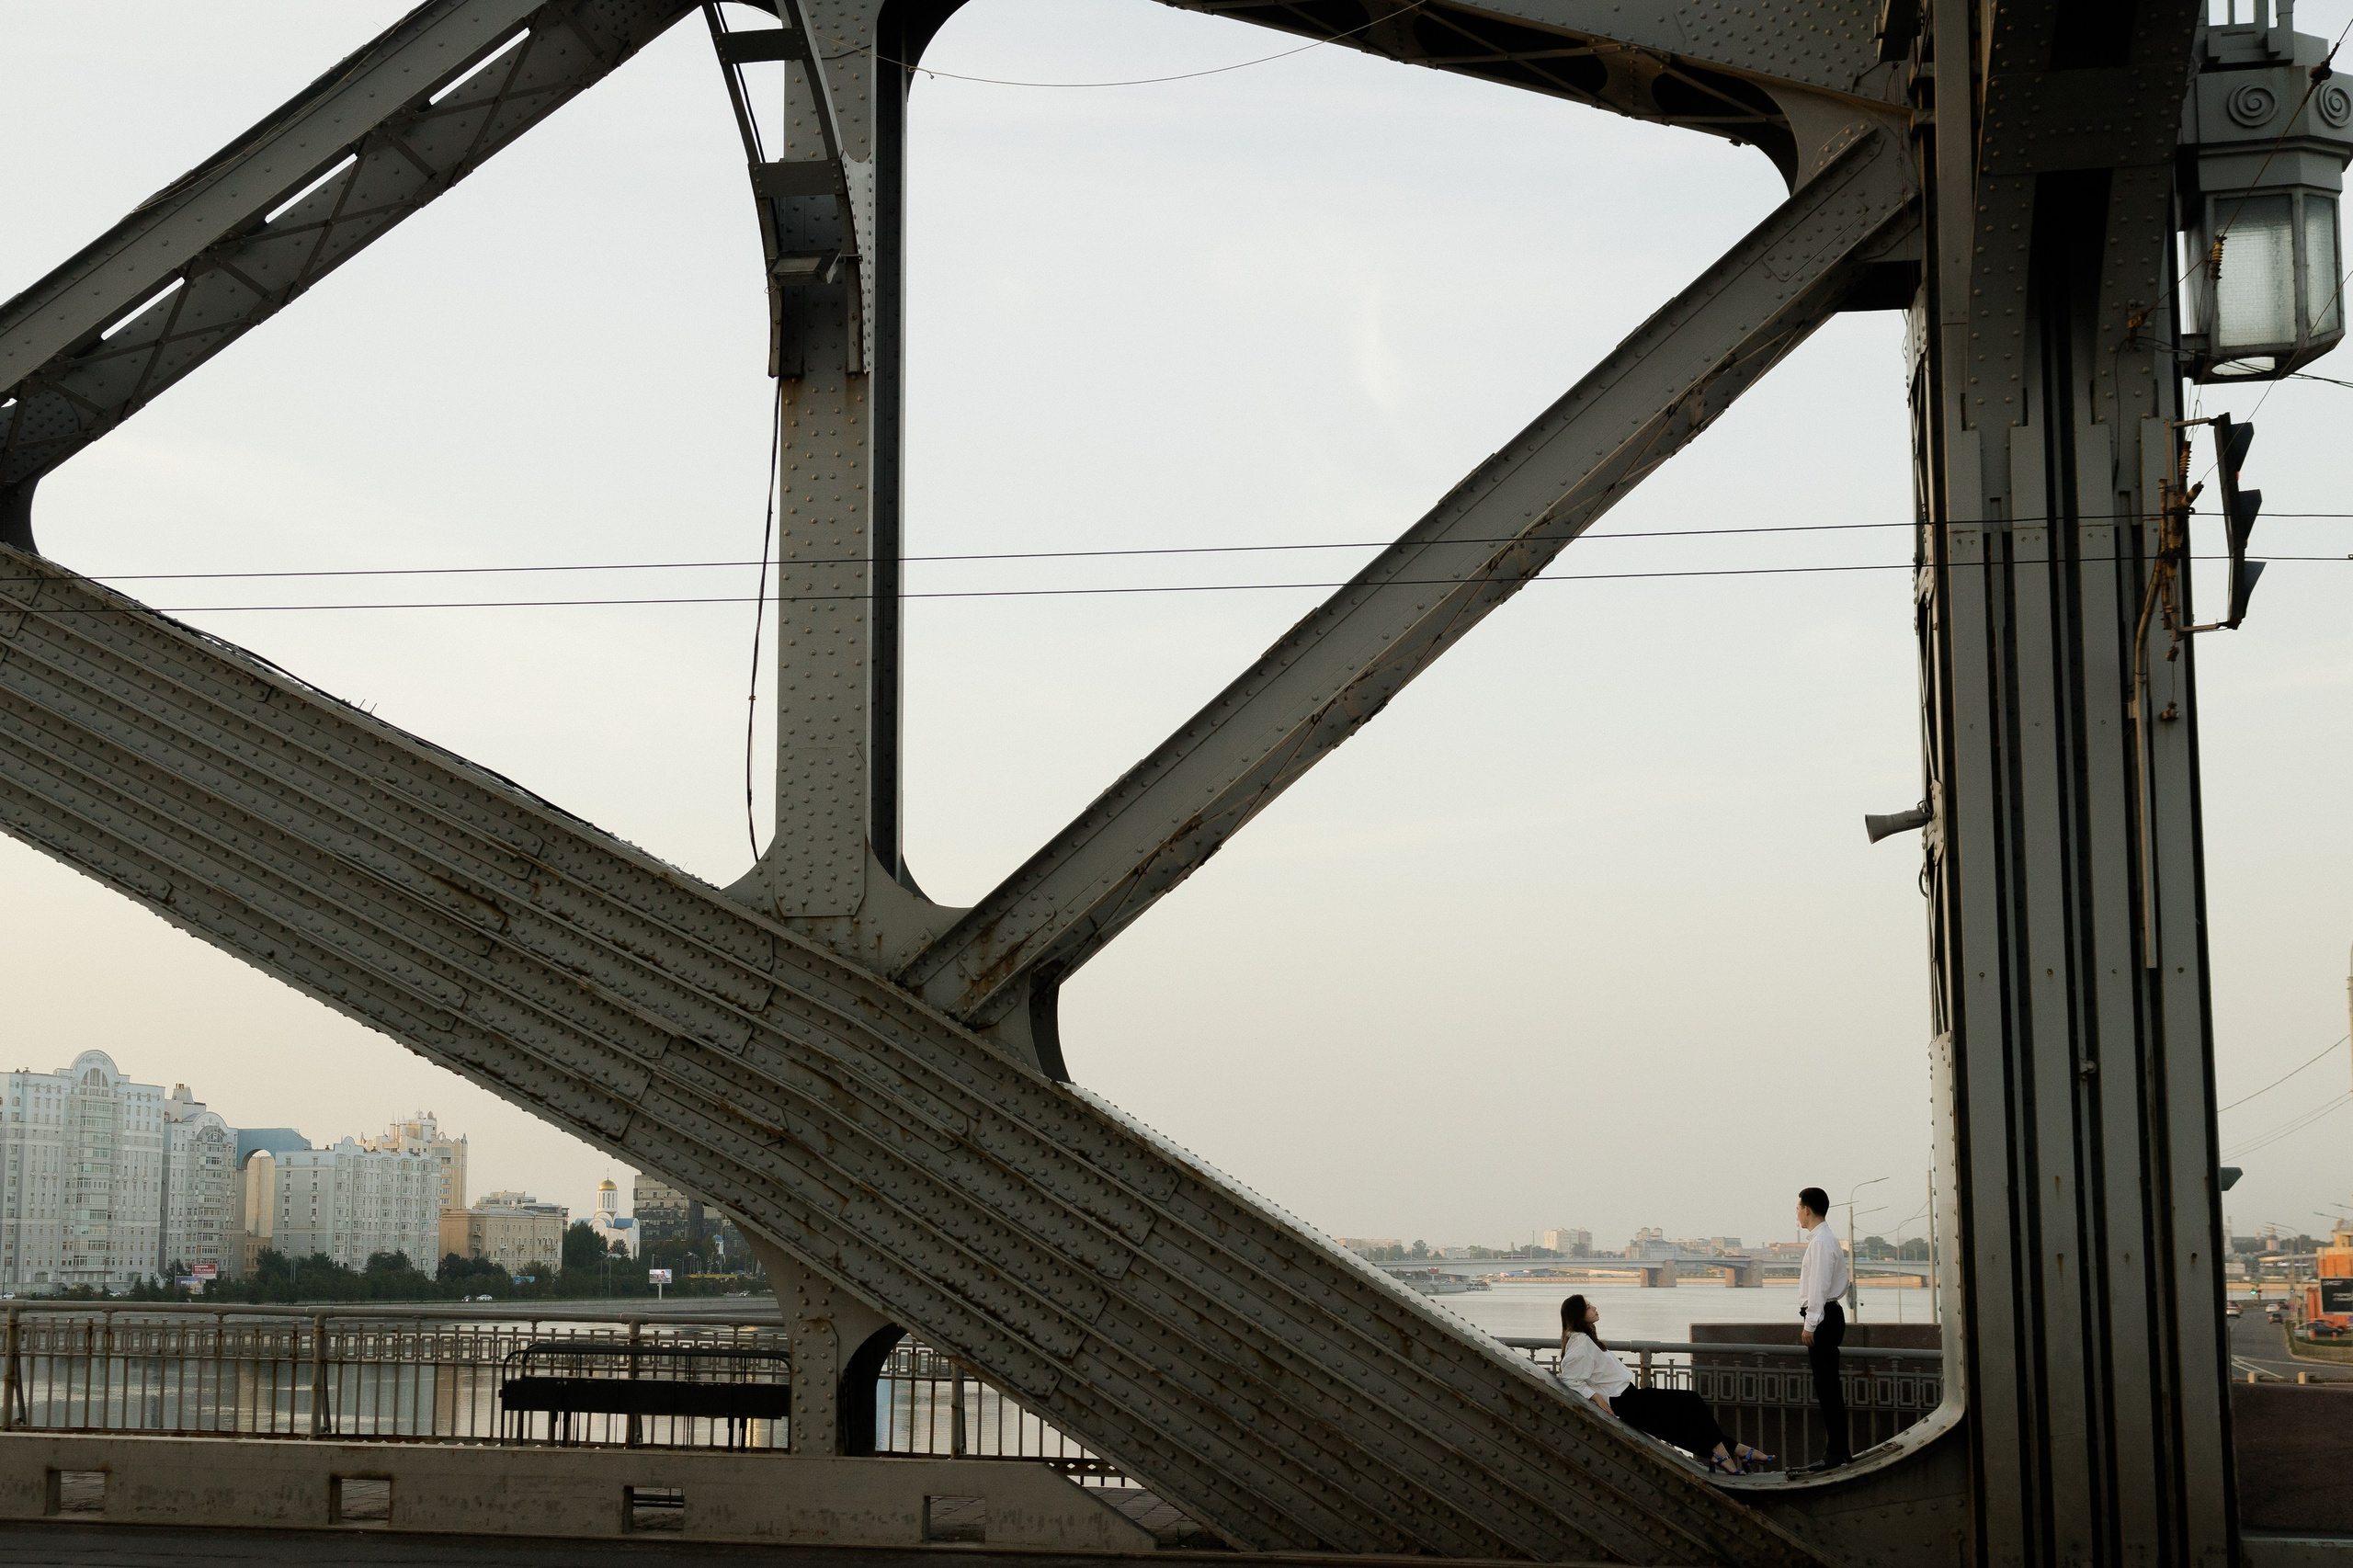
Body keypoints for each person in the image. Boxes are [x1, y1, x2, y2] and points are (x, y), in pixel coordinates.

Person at [1553, 1294, 1772, 1474]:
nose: (1594, 1308)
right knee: (1690, 1402)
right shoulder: (1581, 1342)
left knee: (1679, 1425)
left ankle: (1735, 1452)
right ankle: (1729, 1455)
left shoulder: (1584, 1338)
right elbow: (1569, 1378)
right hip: (1624, 1402)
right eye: (1588, 1307)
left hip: (1629, 1397)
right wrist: (1596, 1397)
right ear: (1578, 1314)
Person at [1797, 1186, 1854, 1471]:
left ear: (1807, 1209)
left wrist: (1810, 1324)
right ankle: (1840, 1450)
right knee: (1830, 1387)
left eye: (1798, 1208)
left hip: (1823, 1319)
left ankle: (1835, 1454)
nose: (1797, 1214)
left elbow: (1818, 1287)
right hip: (1830, 1316)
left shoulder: (1820, 1242)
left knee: (1827, 1389)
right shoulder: (1827, 1239)